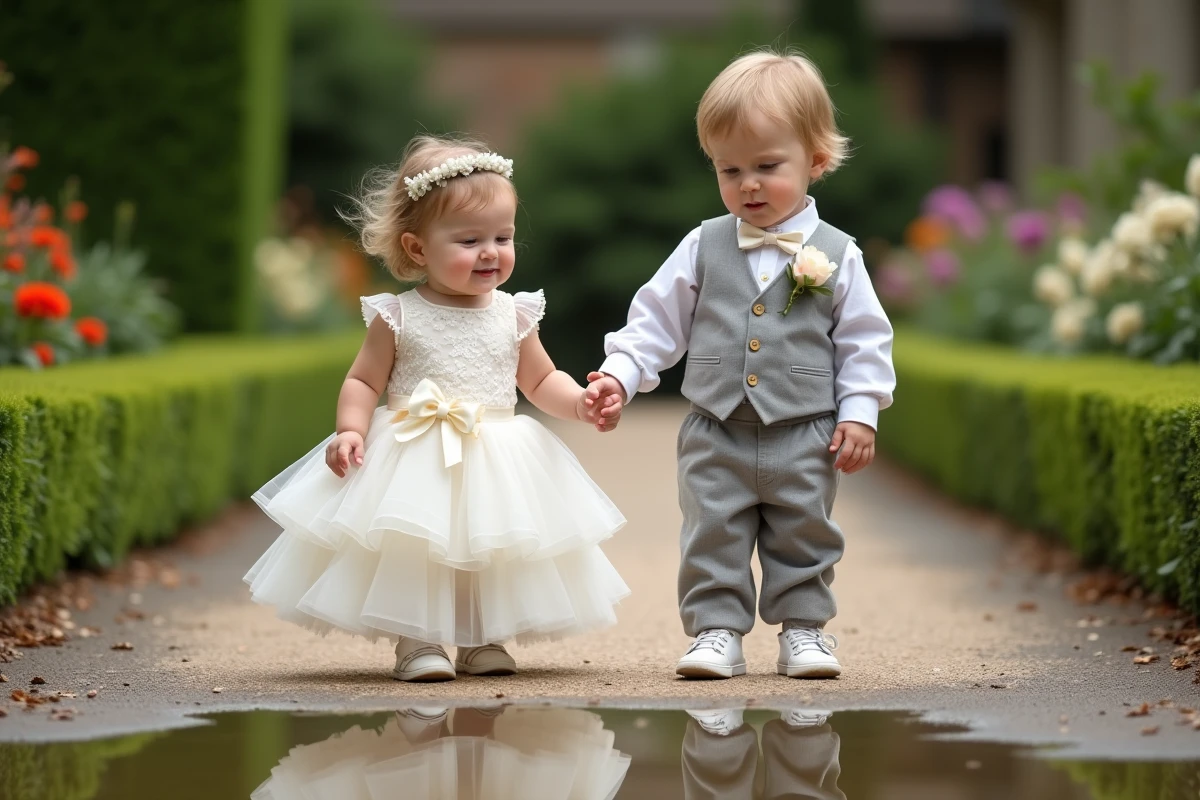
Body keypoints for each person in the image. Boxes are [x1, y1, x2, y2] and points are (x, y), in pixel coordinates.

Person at [244, 134, 629, 682]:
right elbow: (362, 379)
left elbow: (541, 379)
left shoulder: (513, 313)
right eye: (469, 240)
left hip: (495, 449)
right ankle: (418, 640)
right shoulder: (398, 315)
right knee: (418, 546)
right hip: (414, 448)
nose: (491, 252)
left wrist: (581, 402)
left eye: (503, 236)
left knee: (490, 545)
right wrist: (350, 429)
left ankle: (481, 638)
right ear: (418, 248)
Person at [591, 49, 896, 679]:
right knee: (711, 532)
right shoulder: (703, 244)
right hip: (715, 428)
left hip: (805, 430)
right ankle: (716, 631)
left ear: (815, 160)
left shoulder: (838, 253)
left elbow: (864, 339)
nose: (747, 184)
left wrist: (860, 413)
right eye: (730, 170)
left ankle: (805, 632)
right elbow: (656, 320)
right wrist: (620, 374)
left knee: (805, 534)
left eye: (766, 166)